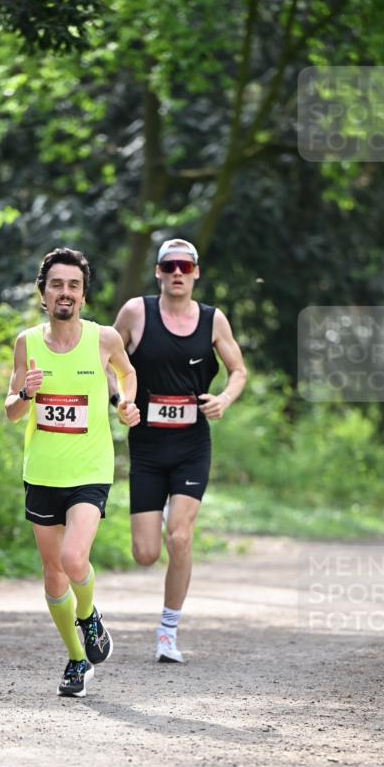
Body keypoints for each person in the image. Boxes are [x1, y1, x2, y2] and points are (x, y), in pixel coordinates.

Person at [5, 248, 139, 697]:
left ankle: (89, 617)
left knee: (73, 559)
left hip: (89, 468)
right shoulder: (27, 341)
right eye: (57, 284)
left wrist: (126, 403)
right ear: (43, 293)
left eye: (74, 285)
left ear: (83, 294)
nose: (65, 292)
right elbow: (10, 412)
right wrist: (25, 393)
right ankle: (77, 659)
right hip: (42, 471)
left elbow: (127, 374)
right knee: (52, 574)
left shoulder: (103, 339)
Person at [113, 238, 247, 662]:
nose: (177, 273)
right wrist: (120, 399)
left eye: (185, 267)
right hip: (148, 449)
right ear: (157, 271)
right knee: (146, 554)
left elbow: (239, 370)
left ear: (195, 273)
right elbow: (107, 363)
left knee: (181, 537)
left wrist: (223, 399)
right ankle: (165, 516)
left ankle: (168, 632)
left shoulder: (213, 320)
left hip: (192, 445)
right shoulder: (136, 312)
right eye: (169, 265)